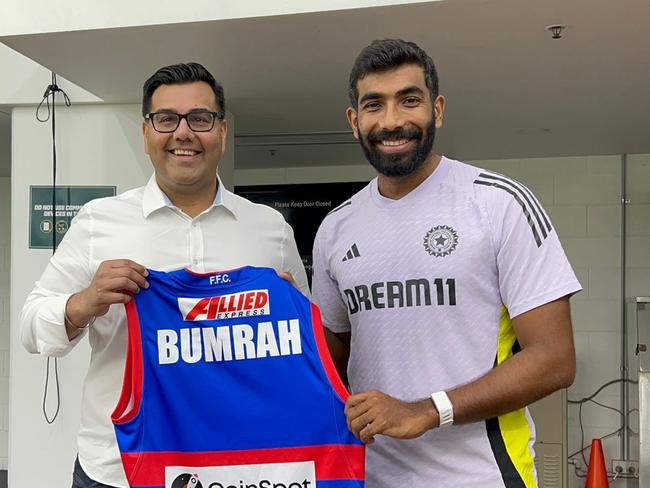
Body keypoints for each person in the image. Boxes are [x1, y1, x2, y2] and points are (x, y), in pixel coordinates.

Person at [20, 62, 309, 488]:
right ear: (146, 133)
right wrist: (85, 302)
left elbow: (306, 344)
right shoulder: (98, 222)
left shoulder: (269, 229)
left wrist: (293, 311)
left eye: (201, 118)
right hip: (118, 469)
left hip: (237, 465)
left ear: (222, 132)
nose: (183, 133)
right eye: (166, 119)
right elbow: (30, 327)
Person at [312, 39, 581, 488]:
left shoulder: (498, 203)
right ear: (354, 121)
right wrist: (277, 309)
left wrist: (427, 410)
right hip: (368, 477)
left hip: (482, 476)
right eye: (374, 104)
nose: (392, 120)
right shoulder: (336, 228)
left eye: (409, 100)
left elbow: (555, 358)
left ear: (437, 109)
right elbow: (331, 354)